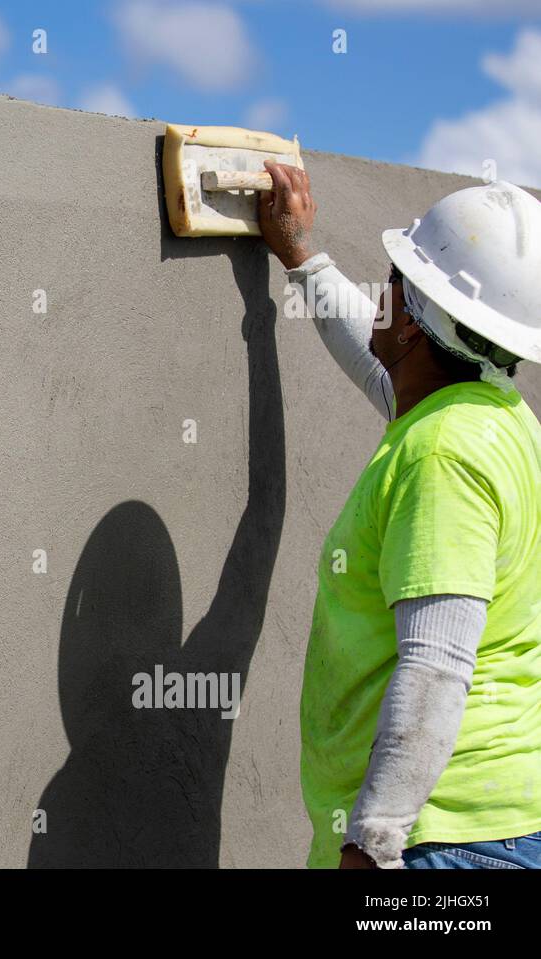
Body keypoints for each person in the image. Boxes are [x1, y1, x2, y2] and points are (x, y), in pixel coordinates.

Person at [259, 161, 541, 868]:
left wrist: (372, 842)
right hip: (483, 826)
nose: (377, 292)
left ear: (414, 324)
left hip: (441, 839)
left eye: (391, 280)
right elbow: (379, 368)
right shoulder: (487, 415)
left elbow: (437, 662)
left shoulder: (442, 455)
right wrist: (301, 255)